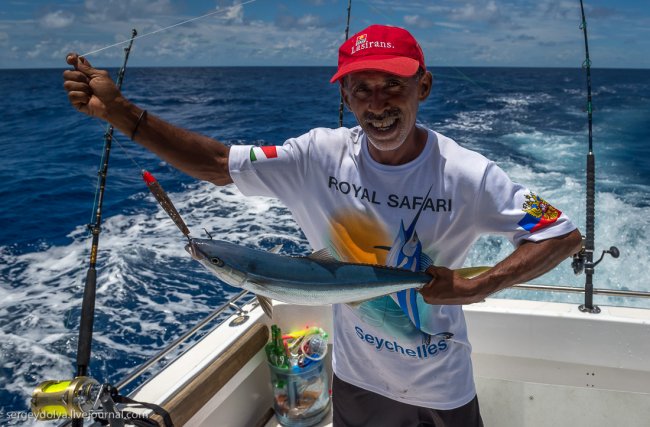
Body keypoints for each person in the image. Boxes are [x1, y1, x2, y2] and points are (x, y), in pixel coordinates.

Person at [64, 24, 582, 426]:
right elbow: (220, 165)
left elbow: (561, 232)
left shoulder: (471, 174)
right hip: (356, 376)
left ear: (423, 86)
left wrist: (478, 284)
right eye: (361, 89)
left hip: (441, 381)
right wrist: (122, 114)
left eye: (392, 86)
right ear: (345, 95)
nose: (377, 104)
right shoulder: (315, 156)